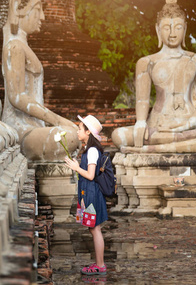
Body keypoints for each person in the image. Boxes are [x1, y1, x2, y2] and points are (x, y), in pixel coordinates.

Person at [111, 0, 196, 153]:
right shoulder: (147, 62)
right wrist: (141, 123)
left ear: (185, 29)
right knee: (118, 135)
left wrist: (189, 123)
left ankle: (150, 149)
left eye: (178, 27)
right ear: (158, 30)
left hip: (190, 124)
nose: (172, 33)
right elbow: (142, 101)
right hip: (158, 126)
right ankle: (172, 145)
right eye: (166, 27)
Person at [0, 0, 80, 161]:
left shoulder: (21, 47)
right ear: (17, 7)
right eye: (37, 9)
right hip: (21, 129)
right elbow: (17, 97)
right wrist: (57, 120)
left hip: (33, 127)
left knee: (72, 135)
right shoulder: (14, 47)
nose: (42, 16)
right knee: (69, 137)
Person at [65, 115, 108, 276]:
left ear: (88, 132)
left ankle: (100, 265)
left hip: (92, 193)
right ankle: (99, 263)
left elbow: (90, 175)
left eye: (80, 129)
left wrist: (76, 167)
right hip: (88, 192)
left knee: (95, 229)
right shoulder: (89, 150)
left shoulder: (92, 151)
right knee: (93, 228)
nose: (77, 132)